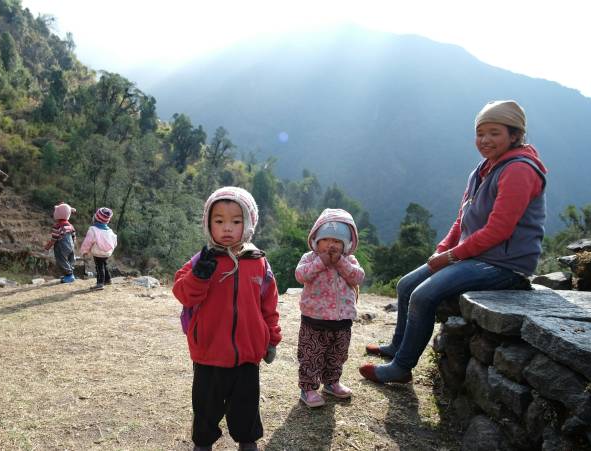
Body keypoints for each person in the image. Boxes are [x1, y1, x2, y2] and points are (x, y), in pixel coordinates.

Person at [360, 100, 547, 384]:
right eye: (480, 133)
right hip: (476, 256)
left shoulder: (519, 170)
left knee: (424, 295)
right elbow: (462, 220)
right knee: (406, 285)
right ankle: (397, 347)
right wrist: (441, 250)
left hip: (504, 264)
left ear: (514, 135)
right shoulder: (483, 170)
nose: (484, 140)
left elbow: (499, 230)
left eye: (494, 133)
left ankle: (401, 368)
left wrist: (450, 258)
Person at [172, 186, 282, 451]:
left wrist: (272, 338)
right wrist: (199, 275)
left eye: (236, 220)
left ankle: (247, 440)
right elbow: (184, 294)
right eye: (219, 220)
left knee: (246, 403)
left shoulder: (259, 262)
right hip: (208, 351)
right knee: (205, 404)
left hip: (247, 353)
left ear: (249, 223)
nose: (227, 228)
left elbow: (269, 304)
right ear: (208, 223)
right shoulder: (202, 259)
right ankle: (203, 443)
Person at [294, 208, 365, 407]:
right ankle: (308, 388)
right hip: (313, 320)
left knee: (338, 354)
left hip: (342, 321)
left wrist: (341, 262)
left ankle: (332, 383)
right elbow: (301, 275)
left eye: (337, 241)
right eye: (326, 240)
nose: (331, 245)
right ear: (316, 240)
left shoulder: (349, 261)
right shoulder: (310, 258)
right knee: (311, 355)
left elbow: (358, 277)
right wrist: (320, 262)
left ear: (347, 245)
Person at [79, 207, 118, 290]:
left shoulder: (93, 229)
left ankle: (100, 283)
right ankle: (108, 279)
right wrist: (110, 249)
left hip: (98, 252)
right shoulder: (110, 231)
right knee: (104, 264)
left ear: (96, 218)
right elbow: (115, 241)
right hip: (108, 252)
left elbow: (87, 242)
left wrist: (84, 251)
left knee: (99, 267)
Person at [43, 202, 77, 283]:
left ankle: (69, 275)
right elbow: (74, 236)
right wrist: (73, 245)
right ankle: (69, 274)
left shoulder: (57, 226)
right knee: (70, 260)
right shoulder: (70, 226)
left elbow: (53, 239)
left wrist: (47, 247)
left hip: (61, 247)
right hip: (71, 246)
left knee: (61, 261)